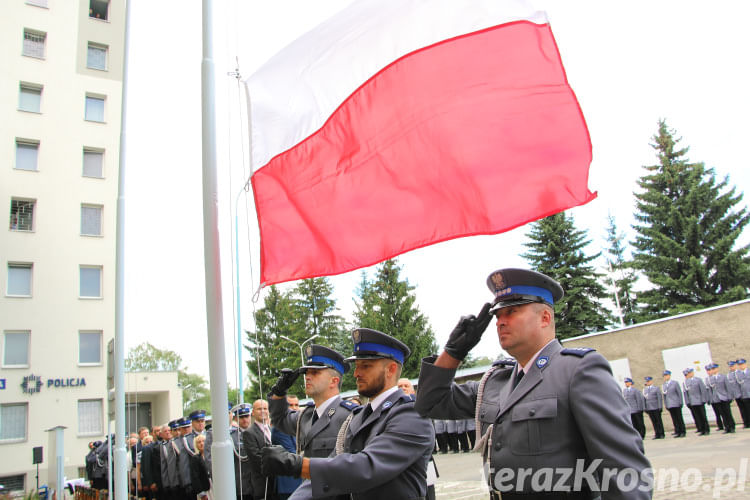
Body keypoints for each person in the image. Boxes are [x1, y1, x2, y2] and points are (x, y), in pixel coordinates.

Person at [414, 268, 652, 498]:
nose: (500, 322)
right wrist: (454, 352)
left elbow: (625, 470)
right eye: (498, 315)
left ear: (545, 318)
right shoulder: (496, 381)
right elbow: (430, 404)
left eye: (512, 311)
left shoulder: (578, 370)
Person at [261, 328, 435, 500]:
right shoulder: (359, 416)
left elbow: (366, 467)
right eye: (357, 366)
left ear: (390, 369)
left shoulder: (411, 415)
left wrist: (297, 465)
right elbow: (333, 463)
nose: (356, 373)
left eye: (365, 366)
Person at [267, 345, 357, 463]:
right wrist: (279, 392)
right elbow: (279, 419)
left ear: (334, 381)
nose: (307, 377)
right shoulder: (306, 415)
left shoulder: (350, 416)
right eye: (306, 372)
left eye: (315, 372)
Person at [243, 399, 277, 499]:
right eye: (259, 409)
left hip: (276, 484)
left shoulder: (273, 430)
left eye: (265, 408)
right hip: (262, 485)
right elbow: (256, 458)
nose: (263, 411)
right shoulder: (249, 433)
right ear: (253, 412)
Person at [272, 397, 303, 500]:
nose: (294, 408)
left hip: (300, 481)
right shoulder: (280, 427)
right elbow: (292, 453)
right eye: (290, 405)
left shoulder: (299, 425)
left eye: (296, 405)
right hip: (289, 484)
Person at [707, 363, 735, 433]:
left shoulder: (723, 377)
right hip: (716, 399)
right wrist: (712, 399)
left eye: (714, 369)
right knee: (722, 414)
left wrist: (730, 397)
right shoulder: (710, 379)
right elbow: (710, 390)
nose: (713, 370)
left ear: (717, 369)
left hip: (724, 397)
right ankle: (727, 427)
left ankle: (732, 427)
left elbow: (728, 387)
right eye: (711, 369)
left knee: (728, 413)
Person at [682, 368, 710, 435]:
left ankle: (706, 429)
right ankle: (701, 429)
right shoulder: (685, 382)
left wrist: (704, 399)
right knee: (697, 416)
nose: (688, 375)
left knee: (703, 416)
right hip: (692, 402)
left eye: (689, 373)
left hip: (699, 401)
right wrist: (687, 402)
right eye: (687, 374)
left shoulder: (698, 380)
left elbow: (703, 390)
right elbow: (685, 393)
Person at [661, 370, 686, 437]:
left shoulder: (674, 383)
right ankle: (677, 431)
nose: (665, 377)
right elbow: (664, 396)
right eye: (664, 376)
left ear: (669, 375)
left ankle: (682, 431)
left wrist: (680, 402)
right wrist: (666, 404)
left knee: (679, 418)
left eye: (666, 375)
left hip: (676, 403)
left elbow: (679, 393)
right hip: (670, 404)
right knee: (674, 418)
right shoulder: (664, 385)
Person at [189, 434, 212, 500]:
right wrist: (201, 493)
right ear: (196, 445)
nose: (202, 443)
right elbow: (195, 477)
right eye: (199, 442)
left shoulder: (212, 455)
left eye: (203, 441)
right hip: (204, 489)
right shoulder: (195, 458)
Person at [726, 360, 747, 427]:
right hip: (736, 395)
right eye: (730, 366)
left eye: (733, 366)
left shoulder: (740, 372)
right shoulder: (729, 375)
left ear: (735, 366)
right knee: (742, 409)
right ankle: (746, 422)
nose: (731, 367)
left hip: (744, 394)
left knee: (747, 408)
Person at [736, 358, 750, 428]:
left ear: (745, 364)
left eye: (742, 364)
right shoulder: (738, 374)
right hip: (744, 395)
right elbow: (738, 385)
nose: (741, 366)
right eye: (740, 365)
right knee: (747, 410)